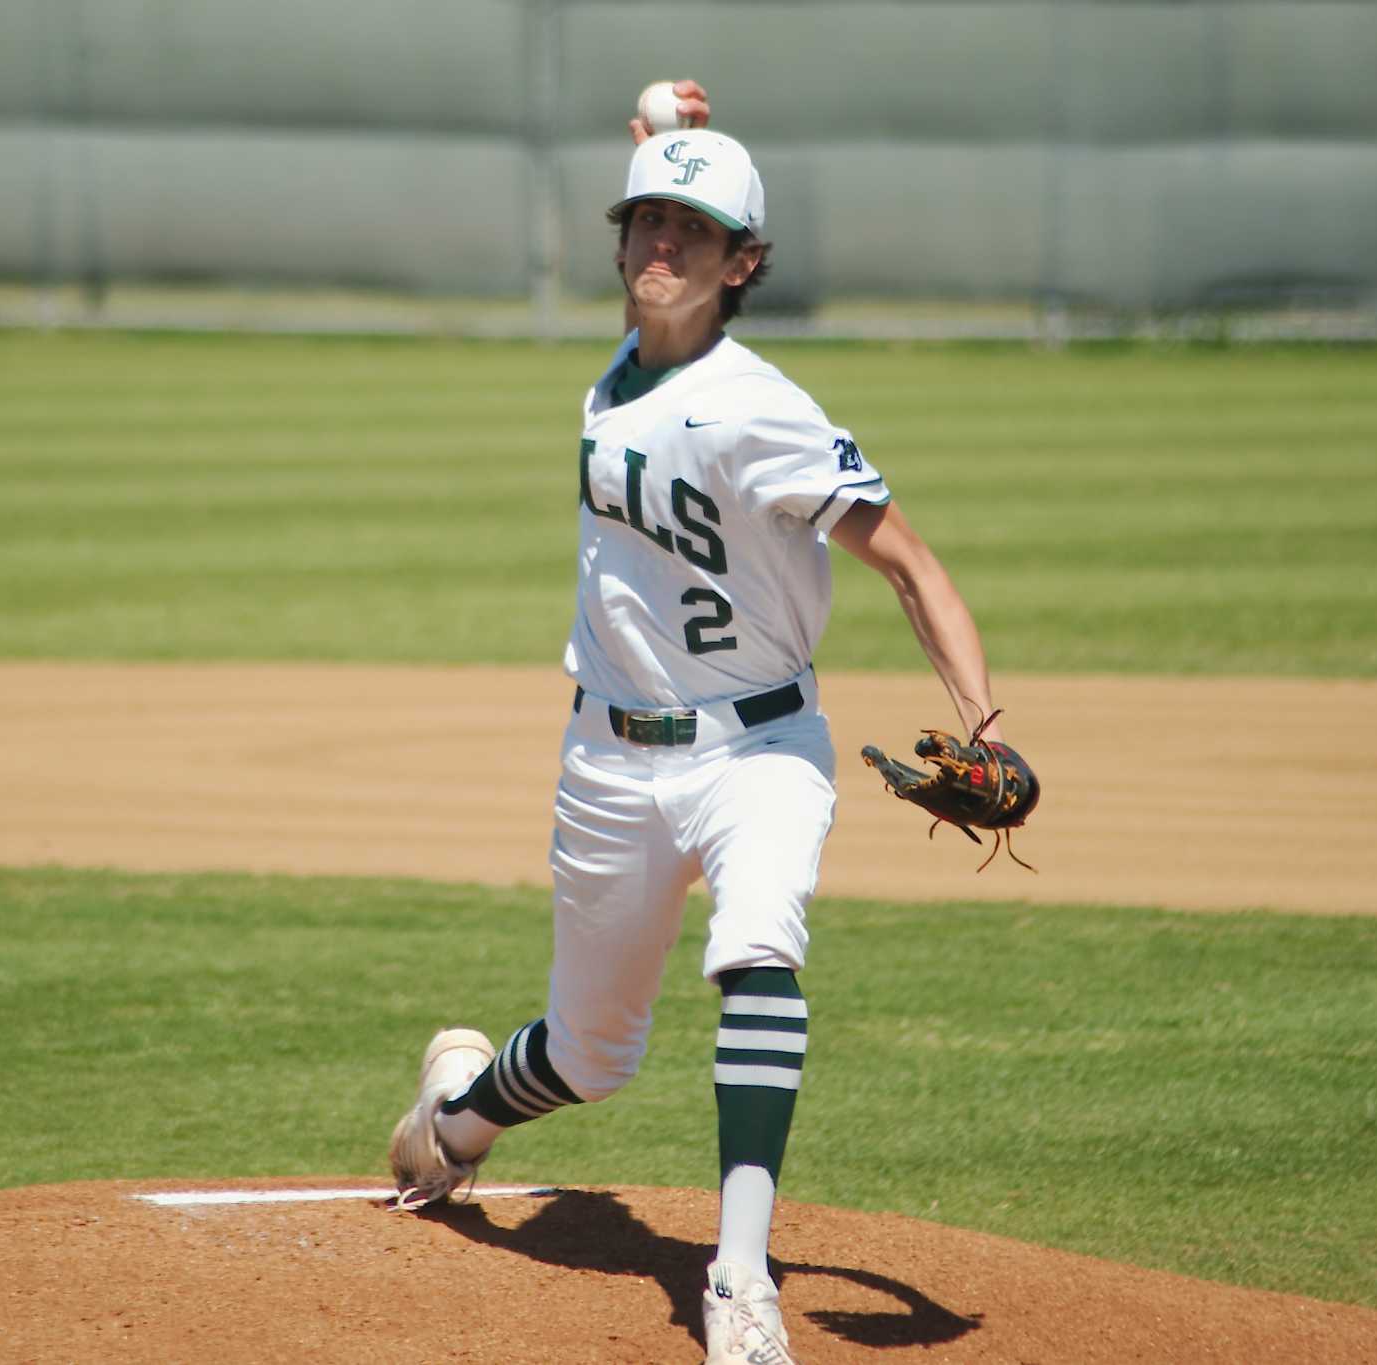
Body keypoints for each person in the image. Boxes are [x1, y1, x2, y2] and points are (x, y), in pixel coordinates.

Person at [388, 115, 1005, 1365]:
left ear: (743, 264)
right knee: (587, 1055)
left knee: (760, 952)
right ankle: (453, 1120)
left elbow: (910, 564)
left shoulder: (764, 411)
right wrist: (673, 142)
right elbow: (667, 221)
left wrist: (984, 729)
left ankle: (738, 1282)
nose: (660, 243)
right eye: (645, 223)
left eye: (695, 231)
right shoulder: (617, 368)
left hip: (758, 752)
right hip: (608, 761)